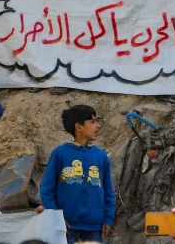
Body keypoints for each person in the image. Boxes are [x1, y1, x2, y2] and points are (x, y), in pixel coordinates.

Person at [38, 104, 114, 244]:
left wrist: (108, 219)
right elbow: (46, 189)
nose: (97, 125)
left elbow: (108, 191)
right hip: (65, 227)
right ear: (79, 127)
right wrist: (56, 217)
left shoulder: (101, 156)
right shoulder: (60, 153)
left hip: (94, 229)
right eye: (92, 122)